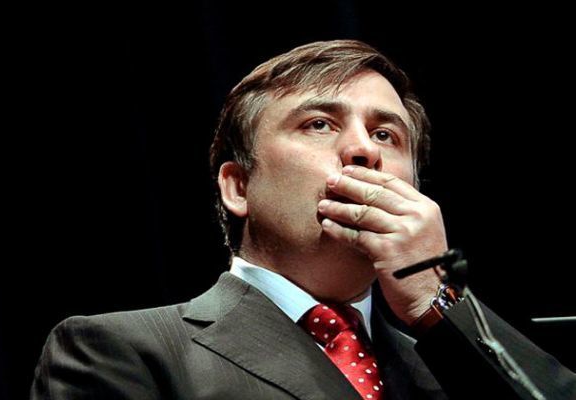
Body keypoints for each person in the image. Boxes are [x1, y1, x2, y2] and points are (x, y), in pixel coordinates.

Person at [31, 40, 575, 399]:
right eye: (319, 124)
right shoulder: (123, 350)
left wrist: (434, 301)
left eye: (386, 134)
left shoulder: (453, 358)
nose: (364, 150)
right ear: (238, 187)